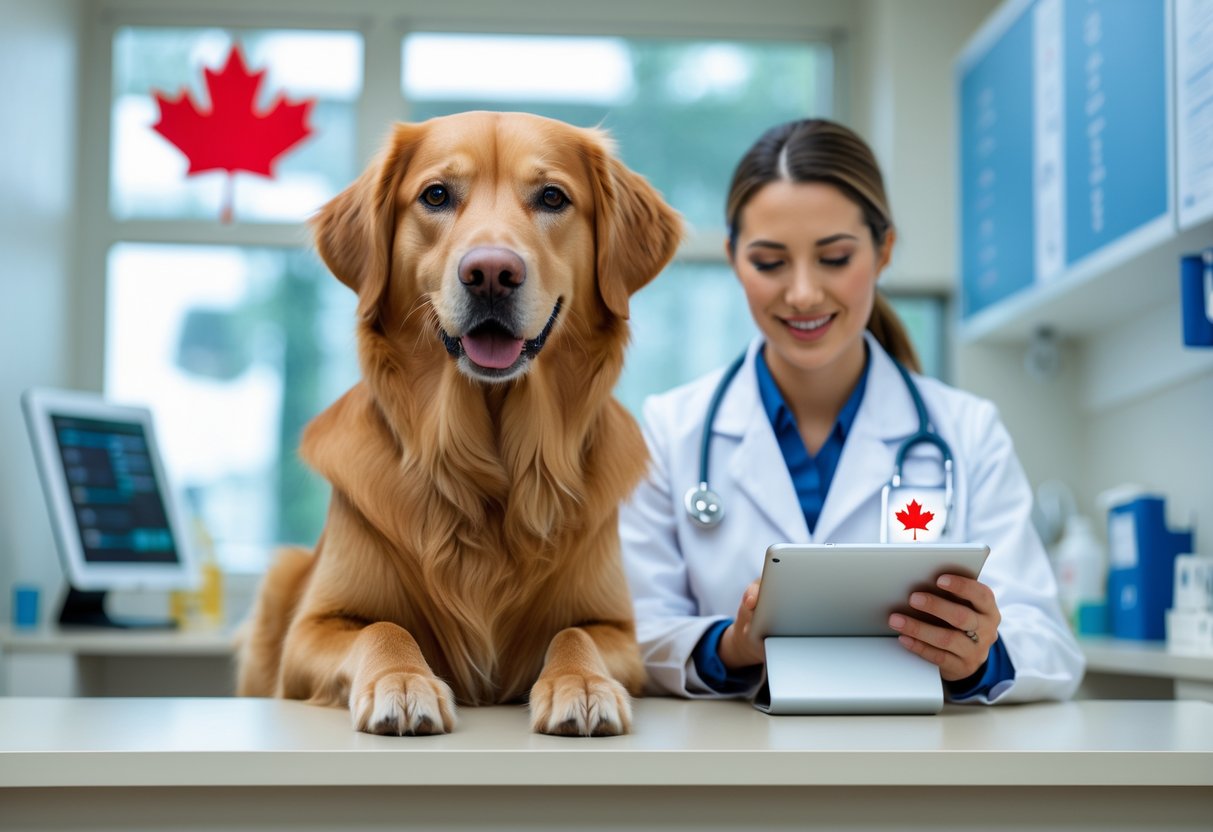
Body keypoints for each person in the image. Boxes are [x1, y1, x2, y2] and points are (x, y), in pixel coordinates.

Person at [620, 118, 1084, 703]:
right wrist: (732, 644)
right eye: (770, 262)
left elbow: (1050, 646)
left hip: (909, 775)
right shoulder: (669, 431)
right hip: (734, 775)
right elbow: (634, 632)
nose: (804, 293)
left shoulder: (968, 432)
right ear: (735, 258)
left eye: (835, 258)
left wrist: (977, 655)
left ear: (884, 250)